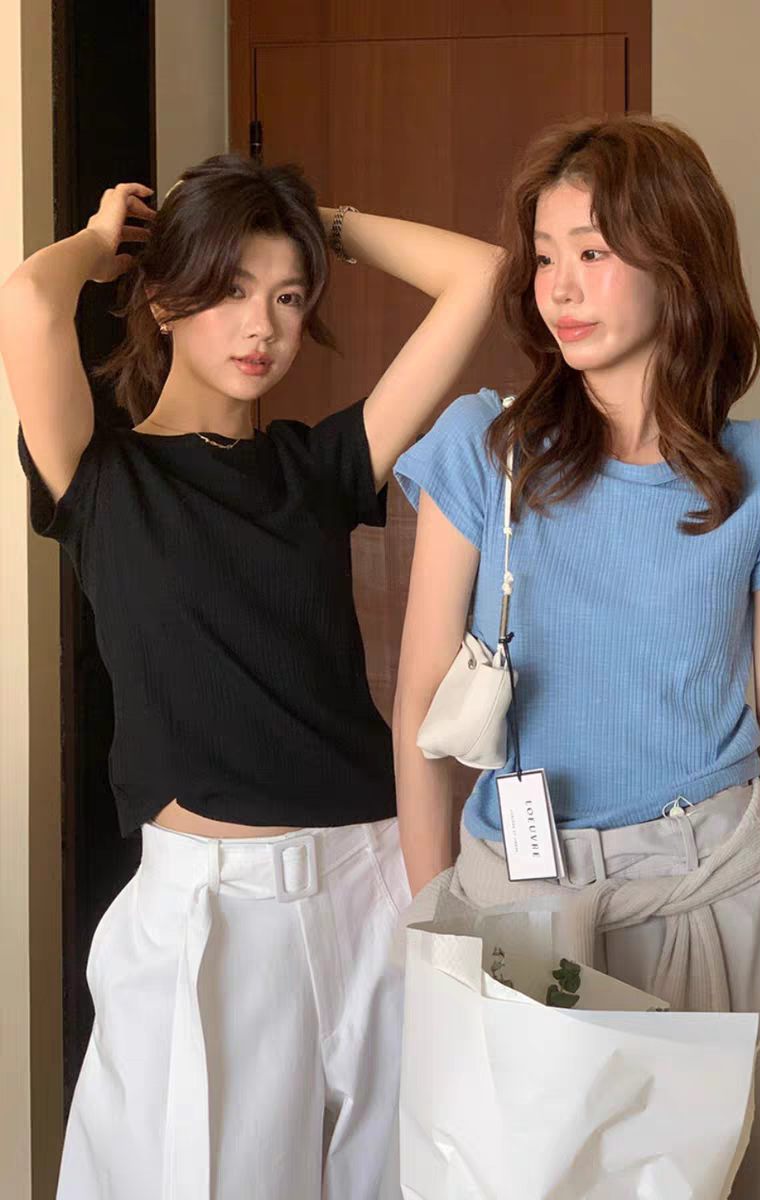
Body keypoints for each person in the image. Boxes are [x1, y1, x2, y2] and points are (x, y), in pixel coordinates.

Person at [0, 154, 499, 1199]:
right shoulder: (101, 476)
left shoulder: (320, 466)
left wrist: (322, 220)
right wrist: (102, 242)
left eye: (287, 297)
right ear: (166, 299)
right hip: (212, 911)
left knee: (406, 1178)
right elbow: (28, 301)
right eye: (229, 290)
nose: (261, 326)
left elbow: (480, 275)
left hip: (373, 880)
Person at [393, 116, 760, 1200]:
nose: (561, 287)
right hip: (515, 909)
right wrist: (434, 918)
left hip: (720, 896)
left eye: (593, 252)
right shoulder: (485, 449)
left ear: (679, 259)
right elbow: (418, 709)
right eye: (546, 257)